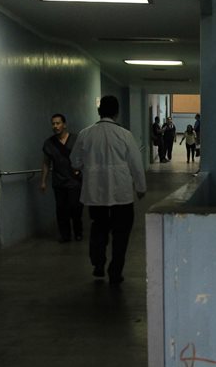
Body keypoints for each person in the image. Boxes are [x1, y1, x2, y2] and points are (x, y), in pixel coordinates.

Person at [70, 95, 146, 286]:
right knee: (121, 235)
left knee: (98, 229)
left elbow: (74, 161)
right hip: (122, 195)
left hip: (96, 195)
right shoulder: (125, 135)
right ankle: (115, 271)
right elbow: (136, 164)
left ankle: (98, 263)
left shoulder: (85, 134)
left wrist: (85, 167)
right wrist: (140, 187)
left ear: (99, 111)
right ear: (117, 112)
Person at [39, 113, 83, 242]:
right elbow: (46, 162)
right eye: (53, 124)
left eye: (58, 123)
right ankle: (65, 235)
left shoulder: (76, 139)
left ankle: (78, 232)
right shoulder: (49, 143)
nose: (55, 126)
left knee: (75, 207)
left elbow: (84, 157)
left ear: (64, 124)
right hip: (59, 182)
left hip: (74, 181)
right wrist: (43, 181)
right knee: (61, 210)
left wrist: (81, 171)